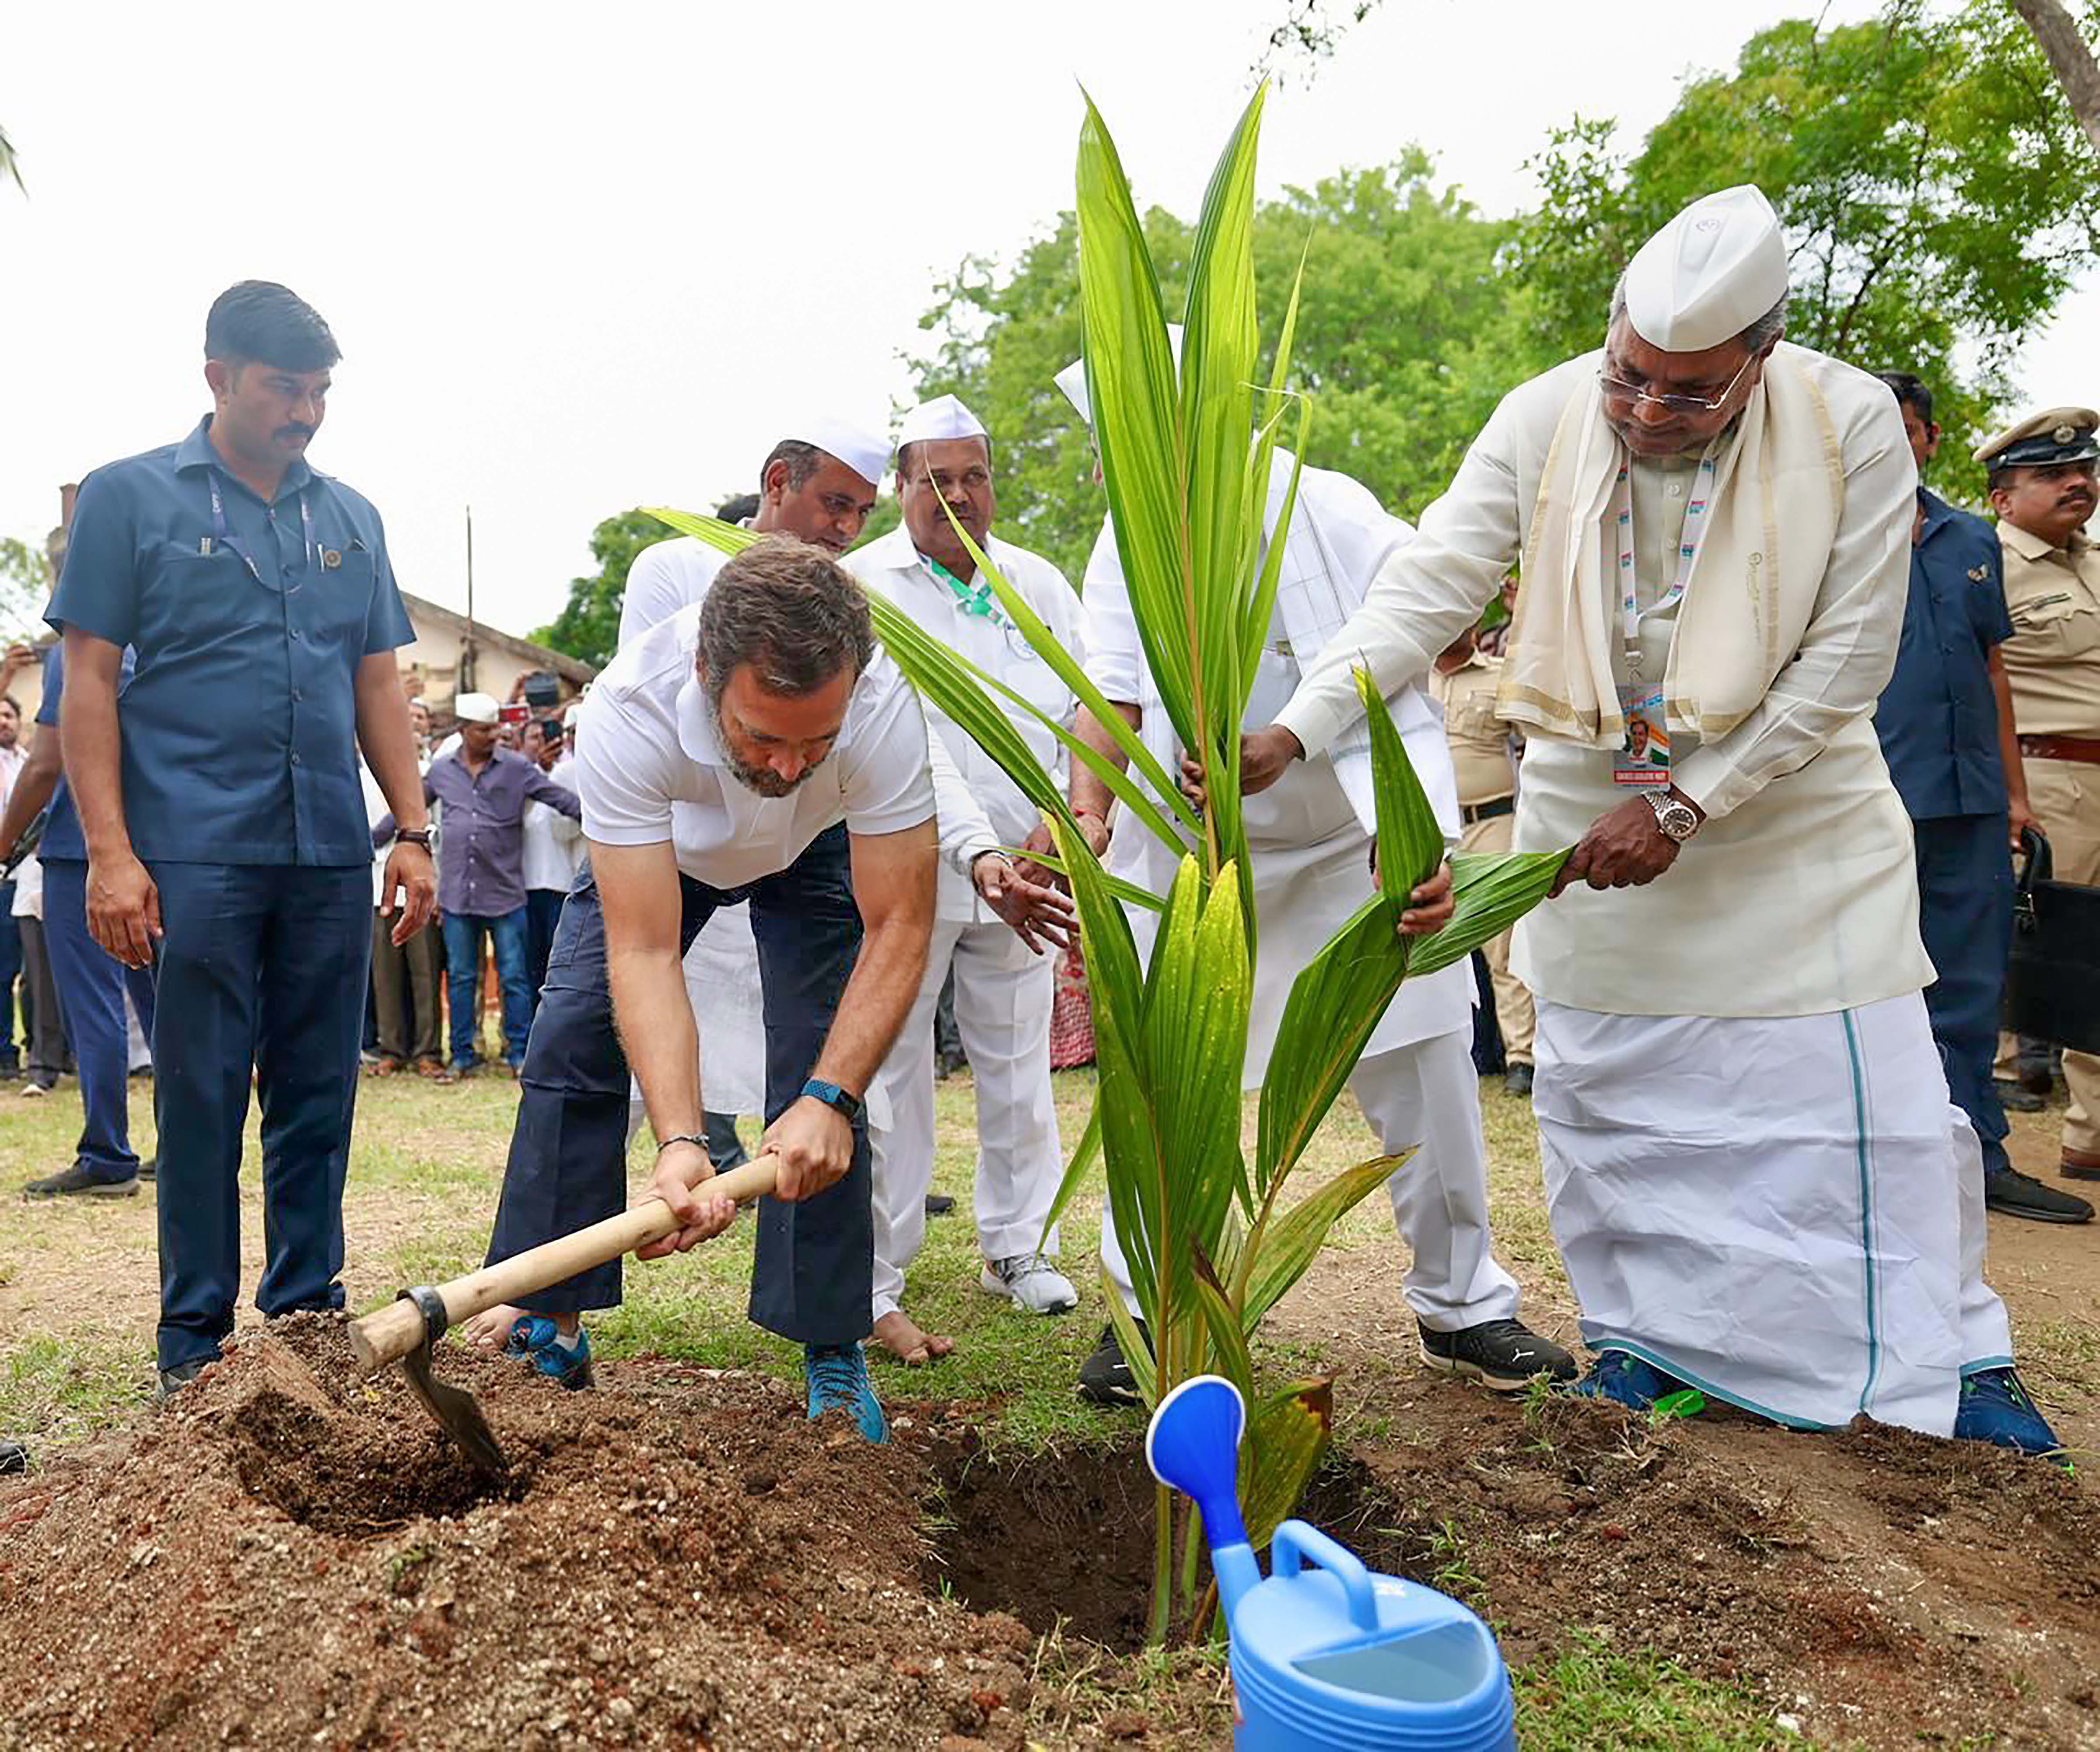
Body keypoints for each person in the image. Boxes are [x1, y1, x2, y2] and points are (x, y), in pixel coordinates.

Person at [1241, 185, 2054, 1452]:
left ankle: (1942, 1354)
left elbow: (1849, 657)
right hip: (1583, 806)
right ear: (1613, 331)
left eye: (1689, 393)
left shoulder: (1849, 424)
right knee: (1615, 1098)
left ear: (1761, 357)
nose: (1645, 410)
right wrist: (1299, 724)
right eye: (1631, 376)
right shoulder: (1544, 411)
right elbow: (1432, 581)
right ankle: (1654, 1343)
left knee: (1862, 1106)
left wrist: (1686, 804)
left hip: (1788, 815)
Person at [1054, 344, 1575, 1406]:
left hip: (1347, 839)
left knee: (1427, 1059)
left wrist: (1407, 823)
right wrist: (1088, 810)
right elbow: (1111, 696)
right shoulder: (1127, 543)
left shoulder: (1326, 507)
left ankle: (1462, 1307)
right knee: (1164, 1087)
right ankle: (1149, 1308)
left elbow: (1418, 639)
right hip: (1198, 856)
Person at [462, 537, 1067, 1441]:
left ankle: (830, 1337)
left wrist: (830, 1093)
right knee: (574, 1030)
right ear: (708, 674)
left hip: (817, 850)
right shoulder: (629, 709)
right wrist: (680, 1138)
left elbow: (900, 922)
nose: (787, 767)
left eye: (815, 741)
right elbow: (644, 949)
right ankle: (549, 1307)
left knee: (824, 1060)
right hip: (672, 851)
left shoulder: (885, 700)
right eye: (762, 735)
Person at [47, 281, 436, 1395]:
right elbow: (88, 685)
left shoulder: (350, 515)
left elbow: (376, 679)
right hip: (193, 855)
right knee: (205, 1093)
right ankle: (194, 1346)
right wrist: (112, 853)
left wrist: (411, 831)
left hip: (325, 852)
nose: (304, 411)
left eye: (319, 392)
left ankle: (308, 1314)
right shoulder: (129, 500)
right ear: (217, 377)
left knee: (322, 1089)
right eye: (282, 388)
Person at [847, 394, 1081, 1367]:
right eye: (934, 479)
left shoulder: (1039, 582)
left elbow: (1087, 702)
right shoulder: (862, 587)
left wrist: (1068, 821)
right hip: (907, 869)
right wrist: (976, 850)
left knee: (1019, 1061)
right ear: (901, 486)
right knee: (895, 1073)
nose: (957, 496)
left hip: (1026, 868)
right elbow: (901, 742)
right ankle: (877, 1273)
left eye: (974, 476)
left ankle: (1018, 1245)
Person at [1872, 376, 2086, 1224]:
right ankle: (1886, 1161)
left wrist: (2017, 795)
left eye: (1907, 431)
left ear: (1927, 441)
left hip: (1971, 799)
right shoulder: (1831, 540)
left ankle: (1976, 1156)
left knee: (1969, 984)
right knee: (1876, 986)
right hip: (1875, 800)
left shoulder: (1971, 538)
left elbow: (1994, 668)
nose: (1891, 445)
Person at [1978, 407, 2100, 1198]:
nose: (2078, 482)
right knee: (2052, 952)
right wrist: (2010, 795)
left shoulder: (2097, 562)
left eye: (2084, 469)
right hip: (2045, 782)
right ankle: (1986, 1135)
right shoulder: (1986, 565)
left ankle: (2089, 1135)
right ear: (2002, 496)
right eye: (2052, 474)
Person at [1, 643, 159, 1192]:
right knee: (163, 1004)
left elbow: (46, 763)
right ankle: (186, 1146)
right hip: (163, 842)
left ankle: (107, 1155)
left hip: (81, 847)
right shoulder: (168, 636)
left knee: (94, 1006)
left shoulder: (79, 648)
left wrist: (1, 848)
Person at [378, 692, 578, 1077]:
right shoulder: (441, 771)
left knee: (515, 977)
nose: (495, 734)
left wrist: (607, 818)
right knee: (461, 977)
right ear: (465, 730)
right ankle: (463, 1056)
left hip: (506, 894)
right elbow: (409, 810)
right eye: (485, 729)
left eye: (496, 727)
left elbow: (559, 800)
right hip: (457, 895)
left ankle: (519, 1054)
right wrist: (372, 836)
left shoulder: (518, 768)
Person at [1429, 627, 1536, 1098]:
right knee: (1432, 945)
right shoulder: (1412, 680)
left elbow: (1535, 745)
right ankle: (1447, 1053)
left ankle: (1522, 1059)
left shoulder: (1500, 677)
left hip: (1492, 822)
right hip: (1432, 832)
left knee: (1504, 945)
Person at [521, 714, 584, 1013]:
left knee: (560, 965)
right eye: (534, 738)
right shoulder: (517, 777)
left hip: (563, 883)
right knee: (528, 964)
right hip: (525, 887)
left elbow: (566, 830)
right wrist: (541, 775)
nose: (542, 743)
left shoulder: (573, 773)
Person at [0, 681, 28, 1081]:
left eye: (8, 715)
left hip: (31, 876)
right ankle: (4, 1053)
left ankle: (42, 1050)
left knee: (33, 977)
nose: (3, 722)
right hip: (3, 876)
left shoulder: (28, 760)